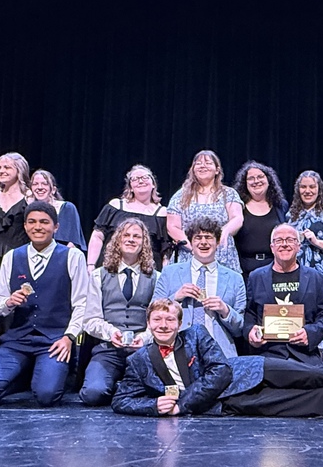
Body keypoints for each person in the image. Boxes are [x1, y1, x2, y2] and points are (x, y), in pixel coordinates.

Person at [111, 299, 323, 420]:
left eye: (170, 320)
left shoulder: (195, 334)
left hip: (249, 370)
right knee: (321, 400)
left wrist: (183, 404)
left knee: (318, 375)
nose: (164, 326)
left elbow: (221, 370)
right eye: (158, 321)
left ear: (179, 321)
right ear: (149, 324)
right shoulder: (140, 360)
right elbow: (121, 399)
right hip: (234, 403)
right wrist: (151, 407)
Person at [0, 201, 90, 407]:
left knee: (46, 396)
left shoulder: (72, 256)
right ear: (25, 226)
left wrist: (69, 337)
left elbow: (82, 303)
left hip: (54, 340)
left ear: (56, 227)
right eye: (32, 222)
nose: (38, 227)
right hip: (18, 340)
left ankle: (46, 373)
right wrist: (9, 302)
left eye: (44, 222)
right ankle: (24, 374)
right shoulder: (12, 257)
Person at [79, 218, 157, 406]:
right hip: (108, 349)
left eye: (136, 236)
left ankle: (125, 386)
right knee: (93, 394)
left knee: (159, 392)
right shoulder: (99, 274)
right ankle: (117, 385)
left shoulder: (156, 277)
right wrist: (111, 333)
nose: (131, 240)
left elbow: (158, 320)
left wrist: (145, 338)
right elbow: (90, 319)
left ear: (144, 242)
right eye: (126, 235)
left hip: (143, 349)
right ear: (117, 241)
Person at [152, 216, 245, 360]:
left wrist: (225, 310)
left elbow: (239, 328)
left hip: (219, 353)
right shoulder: (170, 273)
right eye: (198, 237)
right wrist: (176, 297)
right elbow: (153, 311)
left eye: (208, 237)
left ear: (218, 242)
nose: (203, 242)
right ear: (191, 242)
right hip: (177, 350)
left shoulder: (234, 278)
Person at [245, 224, 323, 366]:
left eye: (290, 240)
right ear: (272, 247)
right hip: (267, 355)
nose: (284, 244)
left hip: (304, 356)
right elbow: (249, 313)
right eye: (279, 240)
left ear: (299, 246)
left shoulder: (315, 277)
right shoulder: (256, 277)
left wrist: (310, 333)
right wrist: (250, 331)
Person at [286, 170, 323, 370]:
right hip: (298, 272)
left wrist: (316, 241)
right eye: (303, 187)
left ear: (319, 188)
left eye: (312, 186)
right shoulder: (291, 213)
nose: (307, 190)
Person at [166, 150, 243, 272]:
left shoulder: (228, 194)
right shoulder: (181, 195)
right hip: (189, 255)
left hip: (221, 254)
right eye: (198, 163)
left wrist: (224, 232)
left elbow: (237, 218)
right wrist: (194, 247)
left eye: (208, 162)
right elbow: (172, 226)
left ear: (217, 170)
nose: (203, 166)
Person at [87, 164, 169, 271]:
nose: (140, 181)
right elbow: (97, 236)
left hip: (147, 272)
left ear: (153, 184)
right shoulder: (115, 206)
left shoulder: (162, 213)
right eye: (135, 179)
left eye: (145, 177)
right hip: (111, 267)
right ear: (130, 187)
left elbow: (166, 251)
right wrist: (91, 265)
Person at [231, 161, 289, 283]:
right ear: (245, 184)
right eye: (251, 178)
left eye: (260, 177)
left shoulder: (280, 206)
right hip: (244, 272)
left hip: (274, 270)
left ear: (269, 180)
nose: (256, 181)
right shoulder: (237, 207)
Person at [0, 152, 32, 265]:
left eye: (7, 167)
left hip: (19, 252)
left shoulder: (29, 196)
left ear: (19, 170)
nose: (1, 171)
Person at [30, 169, 87, 252]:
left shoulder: (67, 208)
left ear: (53, 189)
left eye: (44, 184)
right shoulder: (28, 211)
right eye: (35, 184)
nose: (39, 187)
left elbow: (73, 242)